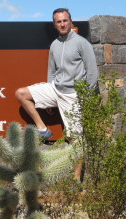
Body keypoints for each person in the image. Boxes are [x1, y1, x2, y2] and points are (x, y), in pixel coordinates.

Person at [15, 8, 98, 142]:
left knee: (75, 140)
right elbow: (52, 71)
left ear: (70, 21)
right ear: (54, 24)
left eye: (65, 20)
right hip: (55, 89)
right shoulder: (54, 44)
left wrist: (85, 96)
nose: (62, 24)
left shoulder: (82, 43)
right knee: (21, 94)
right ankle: (42, 129)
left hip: (73, 95)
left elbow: (92, 72)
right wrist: (49, 97)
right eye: (59, 22)